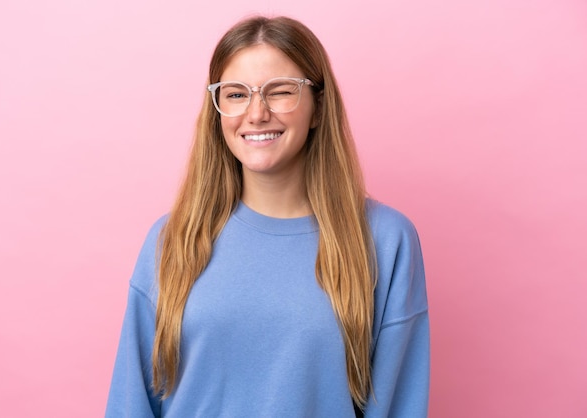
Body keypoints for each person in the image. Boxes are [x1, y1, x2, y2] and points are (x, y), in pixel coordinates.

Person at [105, 15, 429, 418]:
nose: (256, 114)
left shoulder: (385, 240)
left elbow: (398, 406)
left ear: (317, 108)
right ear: (218, 110)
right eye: (236, 94)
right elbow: (131, 403)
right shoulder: (172, 239)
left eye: (279, 92)